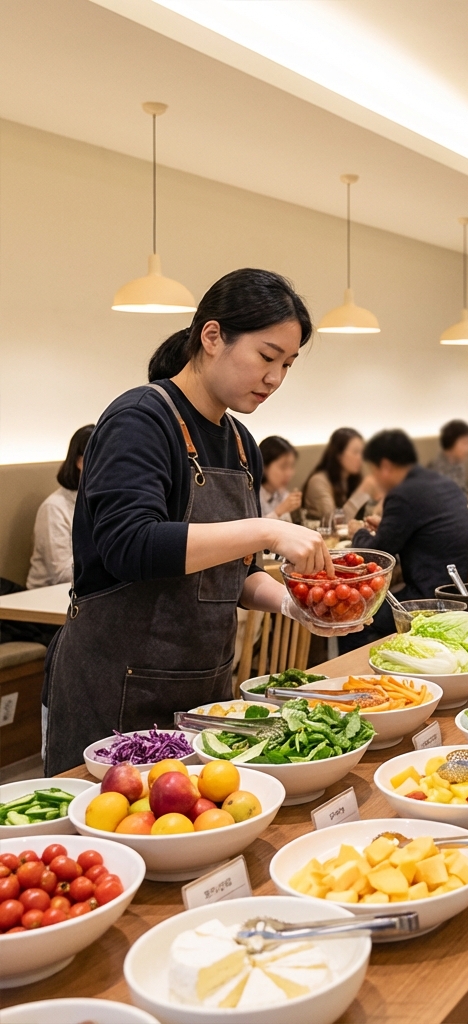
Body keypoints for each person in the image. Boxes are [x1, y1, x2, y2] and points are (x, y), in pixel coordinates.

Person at [43, 268, 353, 776]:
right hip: (117, 688)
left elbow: (236, 574)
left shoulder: (239, 441)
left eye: (288, 364)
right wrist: (269, 529)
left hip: (204, 690)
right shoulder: (139, 420)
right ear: (212, 337)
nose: (275, 378)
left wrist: (296, 605)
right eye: (267, 357)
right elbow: (131, 545)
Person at [349, 429, 468, 639]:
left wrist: (358, 532)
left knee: (355, 613)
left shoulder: (402, 494)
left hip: (429, 599)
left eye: (373, 471)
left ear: (386, 466)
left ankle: (362, 669)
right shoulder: (443, 483)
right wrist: (387, 526)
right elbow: (425, 530)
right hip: (460, 591)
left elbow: (376, 556)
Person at [26, 425, 94, 589]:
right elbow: (62, 574)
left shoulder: (102, 501)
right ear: (80, 462)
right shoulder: (54, 508)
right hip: (42, 598)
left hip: (85, 596)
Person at [302, 428, 380, 523]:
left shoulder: (350, 479)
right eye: (355, 452)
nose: (360, 458)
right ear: (338, 454)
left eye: (362, 453)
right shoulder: (318, 481)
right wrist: (363, 491)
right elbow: (334, 522)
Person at [428, 419, 468, 497]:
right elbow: (447, 499)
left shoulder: (458, 465)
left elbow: (462, 492)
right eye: (464, 443)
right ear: (450, 442)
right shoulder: (436, 470)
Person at [258, 435, 301, 520]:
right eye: (283, 467)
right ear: (264, 466)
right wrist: (278, 512)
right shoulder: (253, 496)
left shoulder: (283, 494)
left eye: (292, 466)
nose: (289, 473)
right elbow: (254, 530)